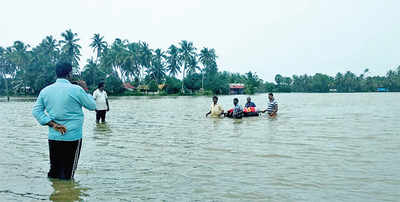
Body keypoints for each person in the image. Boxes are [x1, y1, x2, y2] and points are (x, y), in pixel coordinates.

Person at [32, 62, 96, 180]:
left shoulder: (46, 90)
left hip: (54, 136)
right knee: (68, 173)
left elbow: (36, 111)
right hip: (72, 137)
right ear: (70, 74)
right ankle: (67, 194)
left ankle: (55, 193)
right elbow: (92, 106)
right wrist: (85, 89)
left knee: (54, 170)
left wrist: (53, 124)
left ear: (56, 73)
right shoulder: (77, 90)